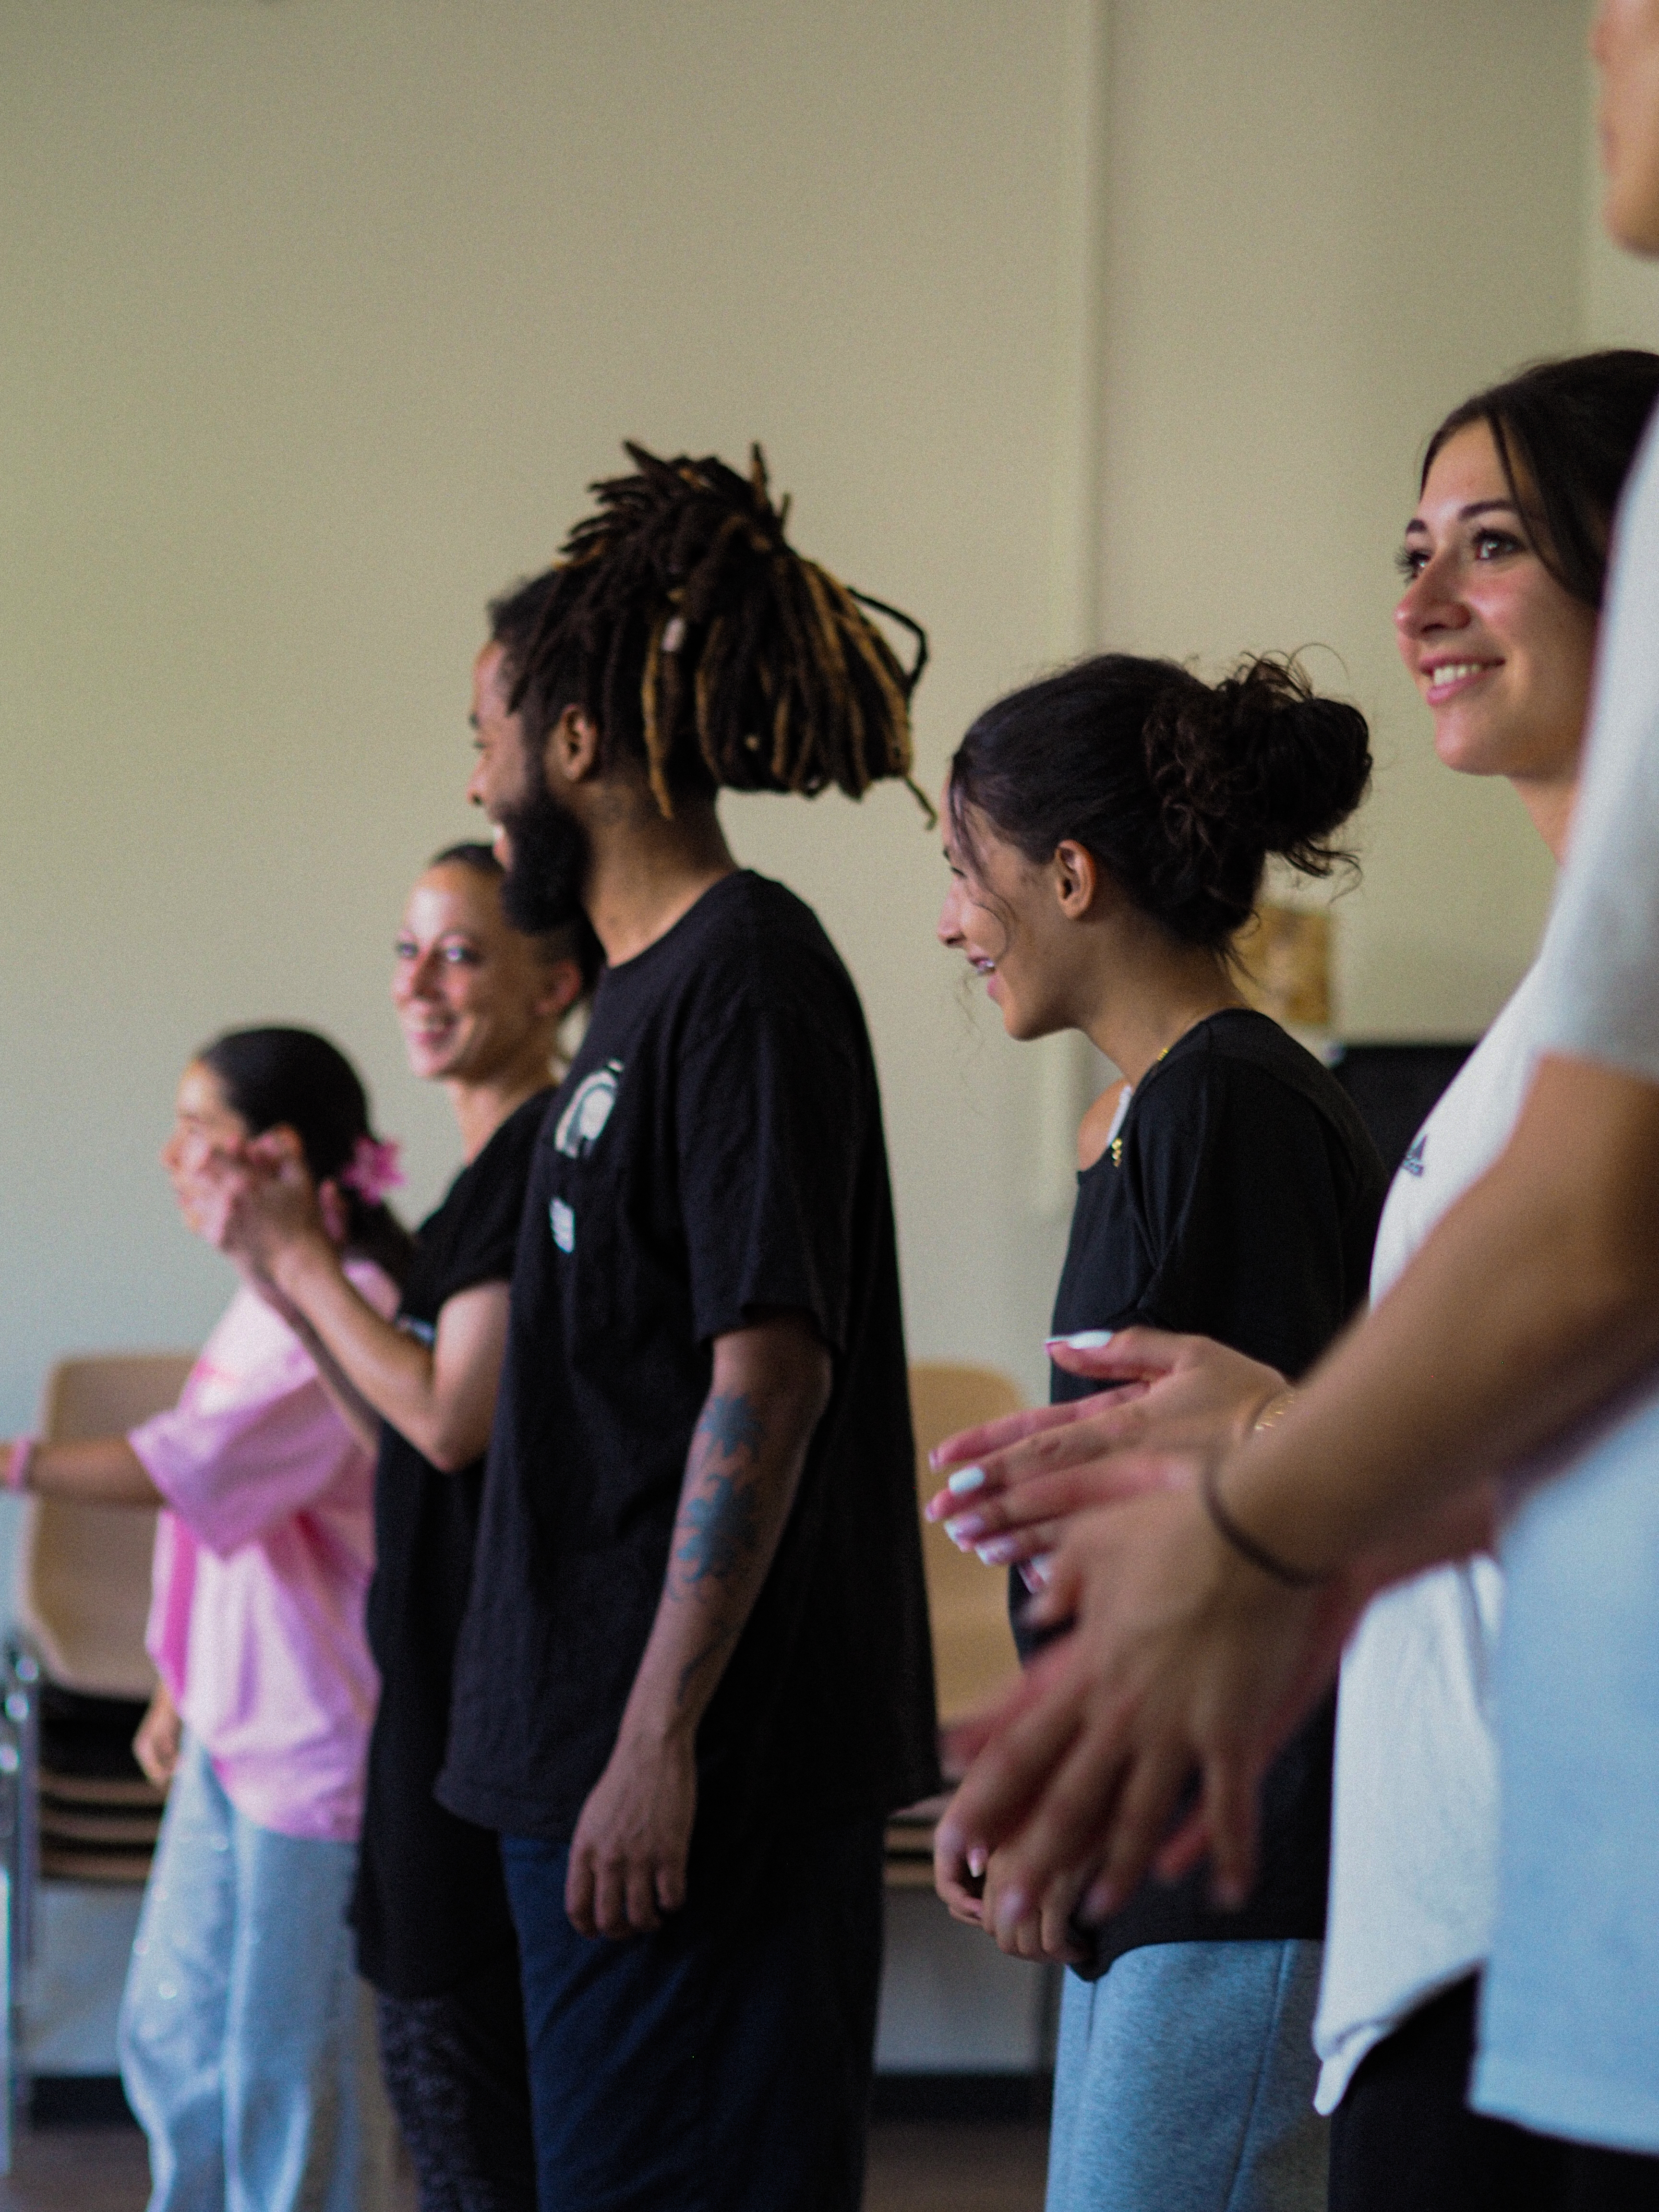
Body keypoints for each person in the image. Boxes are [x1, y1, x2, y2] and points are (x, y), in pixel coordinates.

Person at [931, 5, 1659, 2196]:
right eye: (1406, 543)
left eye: (1487, 546)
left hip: (1515, 1908)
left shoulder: (1265, 1099)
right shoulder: (1540, 1022)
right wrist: (1269, 1437)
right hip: (1459, 1919)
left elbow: (1585, 1292)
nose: (1415, 600)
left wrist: (1249, 1528)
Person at [433, 444, 940, 2212]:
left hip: (685, 1793)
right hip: (575, 1772)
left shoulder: (746, 978)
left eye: (486, 729)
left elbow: (767, 1373)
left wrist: (656, 1736)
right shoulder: (632, 999)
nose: (474, 775)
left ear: (576, 742)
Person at [934, 651, 1382, 2212]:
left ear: (1069, 873)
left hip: (1233, 1856)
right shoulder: (1174, 1109)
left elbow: (1233, 1532)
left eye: (960, 869)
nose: (948, 921)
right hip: (1183, 1854)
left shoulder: (1227, 1105)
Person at [205, 848, 596, 2212]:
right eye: (405, 950)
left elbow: (446, 1420)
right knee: (444, 2104)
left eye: (459, 953)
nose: (415, 985)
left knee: (474, 2122)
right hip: (439, 1694)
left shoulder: (541, 1156)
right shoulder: (474, 1184)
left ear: (558, 984)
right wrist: (283, 1278)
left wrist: (308, 1260)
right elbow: (402, 1449)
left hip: (494, 1715)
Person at [1, 1027, 410, 2212]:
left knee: (294, 2072)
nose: (172, 1156)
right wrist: (177, 1684)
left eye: (196, 1130)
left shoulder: (355, 1305)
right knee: (175, 2037)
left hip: (322, 1749)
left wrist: (16, 1459)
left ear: (272, 1154)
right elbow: (221, 1522)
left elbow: (192, 1467)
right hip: (239, 1731)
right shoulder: (264, 1301)